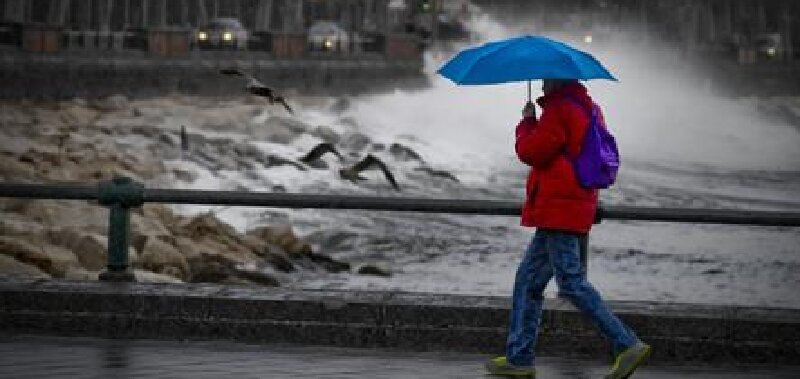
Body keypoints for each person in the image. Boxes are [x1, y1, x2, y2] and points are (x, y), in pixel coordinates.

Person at [485, 79, 651, 378]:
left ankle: (627, 343)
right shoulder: (589, 108)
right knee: (528, 281)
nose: (543, 87)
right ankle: (519, 359)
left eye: (546, 81)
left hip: (560, 209)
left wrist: (526, 123)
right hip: (570, 205)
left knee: (571, 283)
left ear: (555, 82)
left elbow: (532, 152)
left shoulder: (560, 109)